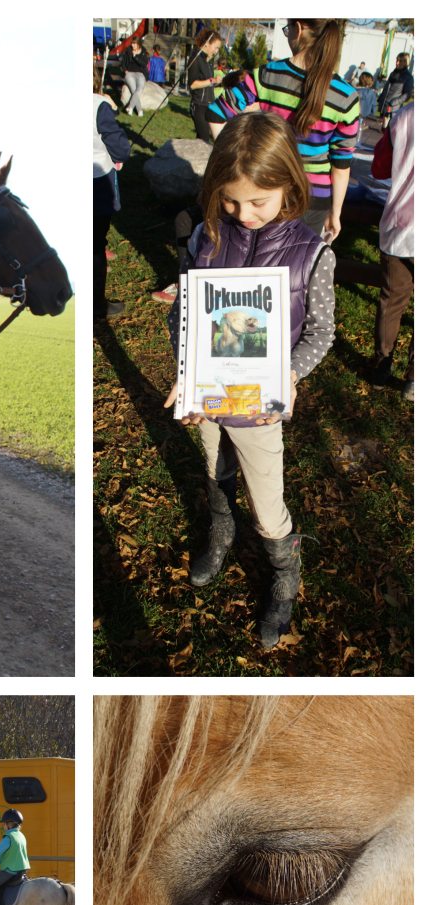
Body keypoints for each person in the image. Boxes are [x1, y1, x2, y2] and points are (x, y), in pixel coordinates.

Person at [162, 113, 336, 648]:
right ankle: (220, 526)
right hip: (211, 401)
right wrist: (187, 374)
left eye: (258, 201)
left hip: (260, 411)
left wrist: (289, 372)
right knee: (216, 470)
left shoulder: (312, 254)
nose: (243, 214)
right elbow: (184, 315)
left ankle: (284, 567)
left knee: (267, 502)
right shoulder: (207, 237)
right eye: (231, 201)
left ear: (289, 185)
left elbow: (322, 333)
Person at [207, 19, 359, 240]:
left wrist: (237, 161)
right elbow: (341, 164)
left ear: (298, 28)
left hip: (266, 188)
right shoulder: (347, 96)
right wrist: (335, 213)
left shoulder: (266, 75)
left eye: (286, 29)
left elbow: (215, 113)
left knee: (259, 260)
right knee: (299, 266)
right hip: (316, 195)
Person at [370, 100, 414, 399]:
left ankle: (381, 366)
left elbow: (379, 167)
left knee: (392, 299)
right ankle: (416, 380)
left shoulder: (406, 114)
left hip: (402, 223)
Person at [94, 64, 132, 321]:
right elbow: (118, 144)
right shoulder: (98, 105)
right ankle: (96, 305)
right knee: (95, 244)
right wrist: (120, 156)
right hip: (96, 180)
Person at [188, 30, 224, 142]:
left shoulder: (207, 60)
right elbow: (193, 85)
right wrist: (211, 81)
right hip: (199, 105)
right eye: (216, 47)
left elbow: (208, 83)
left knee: (202, 139)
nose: (216, 51)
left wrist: (219, 83)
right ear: (207, 43)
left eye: (218, 48)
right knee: (204, 139)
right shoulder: (195, 58)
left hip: (209, 105)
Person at [378, 53, 414, 126]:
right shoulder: (393, 73)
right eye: (397, 60)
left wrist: (393, 102)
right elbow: (386, 88)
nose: (397, 63)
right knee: (376, 132)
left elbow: (407, 95)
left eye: (400, 61)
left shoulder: (408, 77)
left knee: (388, 132)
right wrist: (381, 98)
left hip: (393, 110)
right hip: (383, 108)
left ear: (405, 63)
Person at [121, 38, 150, 117]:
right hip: (129, 73)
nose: (132, 45)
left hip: (140, 74)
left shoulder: (144, 52)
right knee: (133, 90)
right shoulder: (128, 51)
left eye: (134, 43)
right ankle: (139, 110)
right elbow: (123, 63)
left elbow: (144, 64)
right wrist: (125, 71)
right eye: (132, 43)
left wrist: (135, 57)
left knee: (139, 89)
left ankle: (130, 107)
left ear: (139, 44)